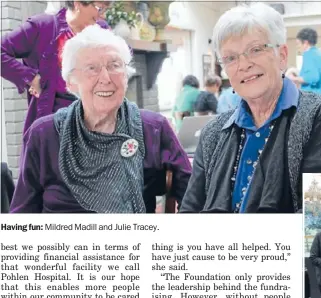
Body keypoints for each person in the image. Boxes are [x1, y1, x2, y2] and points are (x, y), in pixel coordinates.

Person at [179, 3, 321, 213]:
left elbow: (320, 214)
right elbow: (189, 213)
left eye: (255, 50)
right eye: (231, 58)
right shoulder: (213, 133)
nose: (243, 65)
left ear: (282, 56)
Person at [9, 25, 191, 213]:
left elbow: (193, 194)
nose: (105, 78)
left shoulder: (153, 128)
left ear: (126, 76)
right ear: (71, 82)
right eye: (91, 68)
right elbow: (23, 212)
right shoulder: (44, 134)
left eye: (114, 65)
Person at [1, 1, 112, 135]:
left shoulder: (102, 30)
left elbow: (121, 58)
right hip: (54, 125)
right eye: (99, 8)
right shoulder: (42, 26)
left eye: (106, 9)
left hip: (94, 123)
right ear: (78, 3)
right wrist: (31, 77)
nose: (104, 15)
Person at [286, 27, 321, 98]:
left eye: (298, 44)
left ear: (305, 43)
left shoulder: (308, 54)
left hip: (316, 102)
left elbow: (312, 77)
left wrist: (293, 78)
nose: (298, 47)